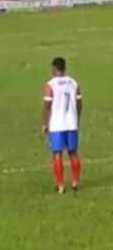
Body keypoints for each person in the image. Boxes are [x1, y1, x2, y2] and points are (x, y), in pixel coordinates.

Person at [42, 57, 82, 193]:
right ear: (65, 68)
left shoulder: (51, 84)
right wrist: (77, 118)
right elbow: (79, 102)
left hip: (57, 124)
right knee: (73, 152)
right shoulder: (73, 83)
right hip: (72, 123)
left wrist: (45, 123)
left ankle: (60, 185)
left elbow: (47, 106)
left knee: (57, 154)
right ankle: (75, 182)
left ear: (54, 69)